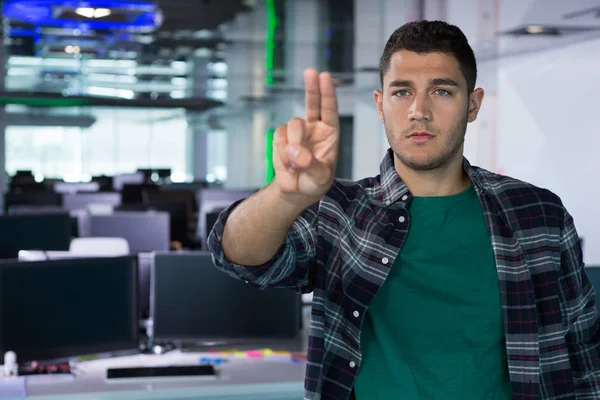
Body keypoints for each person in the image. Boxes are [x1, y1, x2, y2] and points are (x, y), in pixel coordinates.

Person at [208, 20, 600, 400]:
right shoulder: (341, 212)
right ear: (380, 104)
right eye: (401, 92)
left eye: (442, 91)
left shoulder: (538, 214)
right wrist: (286, 195)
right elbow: (240, 258)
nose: (419, 111)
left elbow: (585, 360)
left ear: (473, 104)